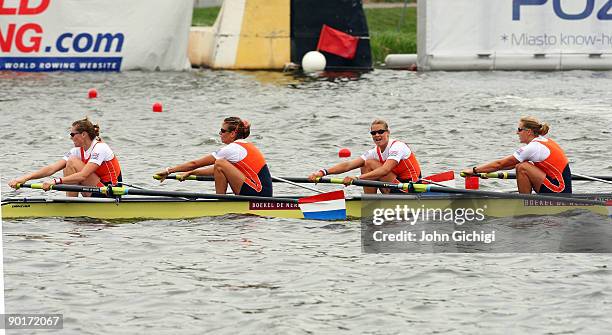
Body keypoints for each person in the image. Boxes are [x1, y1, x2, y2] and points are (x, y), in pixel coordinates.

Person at [155, 117, 273, 197]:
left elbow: (195, 163)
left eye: (223, 130)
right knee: (220, 164)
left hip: (257, 194)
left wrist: (168, 170)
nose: (220, 133)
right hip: (263, 193)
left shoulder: (232, 149)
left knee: (220, 162)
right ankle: (221, 200)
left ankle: (220, 202)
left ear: (232, 134)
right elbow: (216, 170)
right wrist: (192, 173)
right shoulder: (243, 146)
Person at [8, 118, 122, 197]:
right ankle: (70, 203)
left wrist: (55, 181)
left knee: (71, 162)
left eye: (72, 134)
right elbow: (52, 169)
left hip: (110, 191)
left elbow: (83, 175)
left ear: (83, 134)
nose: (70, 138)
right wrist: (25, 178)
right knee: (69, 164)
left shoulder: (99, 148)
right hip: (94, 189)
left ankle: (70, 205)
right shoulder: (77, 151)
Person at [461, 116, 572, 194]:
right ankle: (526, 199)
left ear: (528, 132)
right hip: (561, 188)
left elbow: (501, 163)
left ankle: (525, 203)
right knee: (521, 164)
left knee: (522, 167)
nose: (517, 132)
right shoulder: (543, 141)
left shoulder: (533, 147)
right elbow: (508, 164)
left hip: (558, 190)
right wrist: (486, 171)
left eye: (519, 129)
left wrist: (474, 170)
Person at [308, 119, 422, 194]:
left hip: (411, 188)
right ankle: (370, 201)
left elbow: (385, 170)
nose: (377, 135)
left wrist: (357, 178)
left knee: (370, 163)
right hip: (394, 187)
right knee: (365, 163)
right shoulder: (374, 151)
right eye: (373, 133)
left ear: (388, 133)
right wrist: (322, 172)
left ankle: (372, 204)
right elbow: (348, 165)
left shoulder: (398, 147)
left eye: (380, 132)